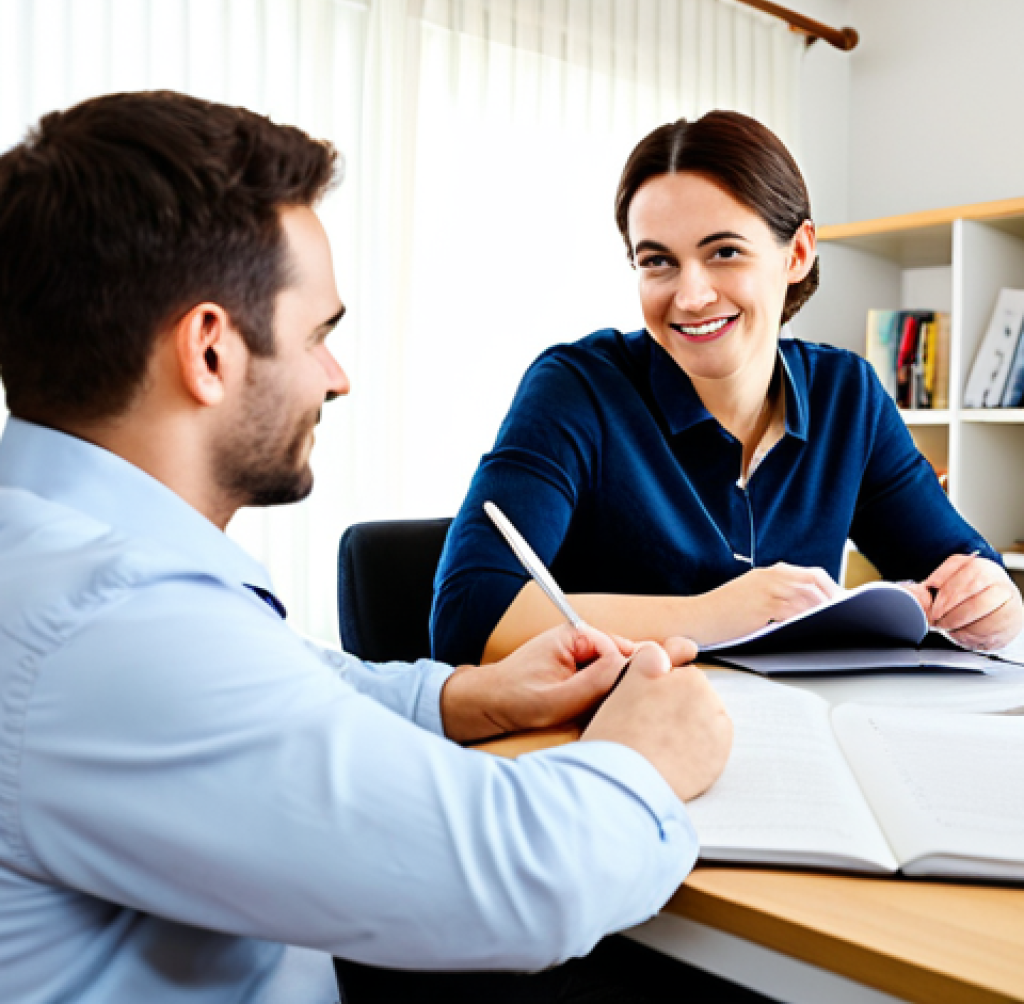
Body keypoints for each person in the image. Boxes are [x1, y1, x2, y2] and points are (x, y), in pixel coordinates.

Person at [0, 92, 735, 1004]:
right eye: (317, 336)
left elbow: (271, 680)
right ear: (210, 353)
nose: (336, 378)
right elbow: (519, 882)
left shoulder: (53, 555)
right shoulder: (107, 622)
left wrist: (468, 696)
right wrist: (645, 757)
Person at [431, 110, 1024, 666]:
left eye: (724, 252)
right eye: (657, 262)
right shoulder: (577, 389)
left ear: (796, 252)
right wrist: (711, 615)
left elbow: (960, 566)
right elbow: (469, 617)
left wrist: (992, 600)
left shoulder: (849, 396)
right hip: (621, 746)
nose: (690, 296)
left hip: (799, 746)